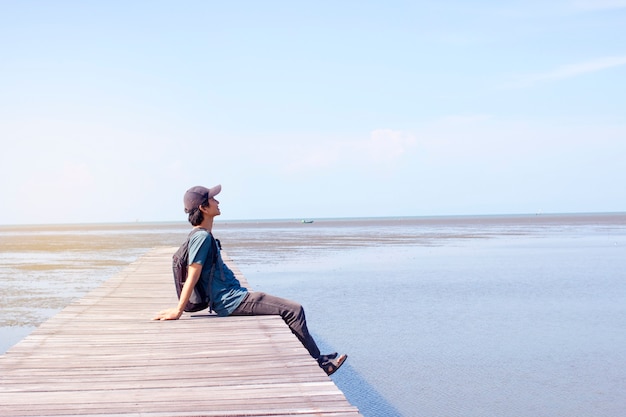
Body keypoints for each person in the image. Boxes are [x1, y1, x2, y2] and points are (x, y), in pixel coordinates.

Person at [153, 184, 347, 376]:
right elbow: (193, 272)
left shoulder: (203, 235)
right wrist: (178, 310)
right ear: (203, 208)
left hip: (233, 297)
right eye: (213, 199)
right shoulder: (202, 237)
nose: (218, 201)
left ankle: (316, 359)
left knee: (289, 310)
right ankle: (319, 364)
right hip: (230, 301)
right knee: (294, 310)